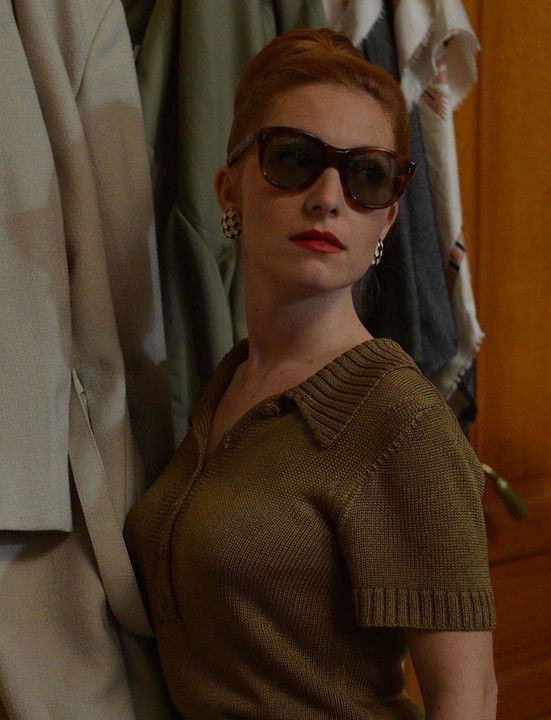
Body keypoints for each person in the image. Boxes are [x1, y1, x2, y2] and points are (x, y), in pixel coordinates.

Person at [124, 28, 497, 719]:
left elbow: (467, 698)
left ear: (387, 217)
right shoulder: (232, 382)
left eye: (366, 176)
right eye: (294, 159)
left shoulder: (400, 421)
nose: (328, 197)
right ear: (228, 190)